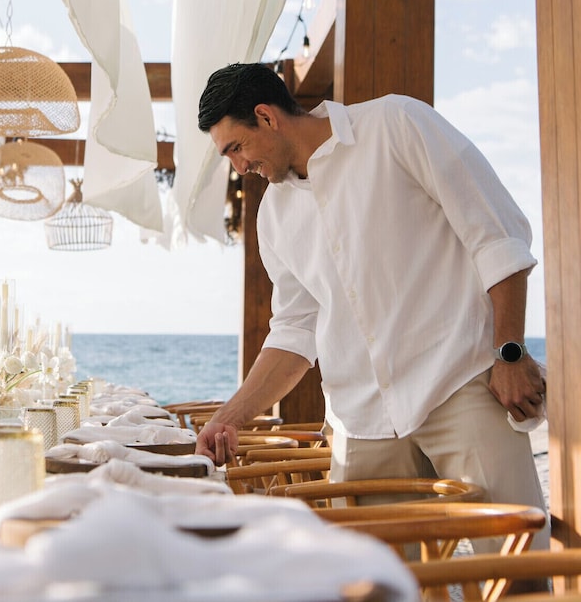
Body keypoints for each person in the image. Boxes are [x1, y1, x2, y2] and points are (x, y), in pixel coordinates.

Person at [195, 63, 548, 549]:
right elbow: (295, 332)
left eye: (236, 147)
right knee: (373, 578)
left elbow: (496, 236)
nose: (238, 166)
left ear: (266, 117)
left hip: (460, 384)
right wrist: (229, 418)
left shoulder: (397, 124)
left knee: (517, 561)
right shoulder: (273, 216)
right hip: (361, 422)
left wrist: (510, 353)